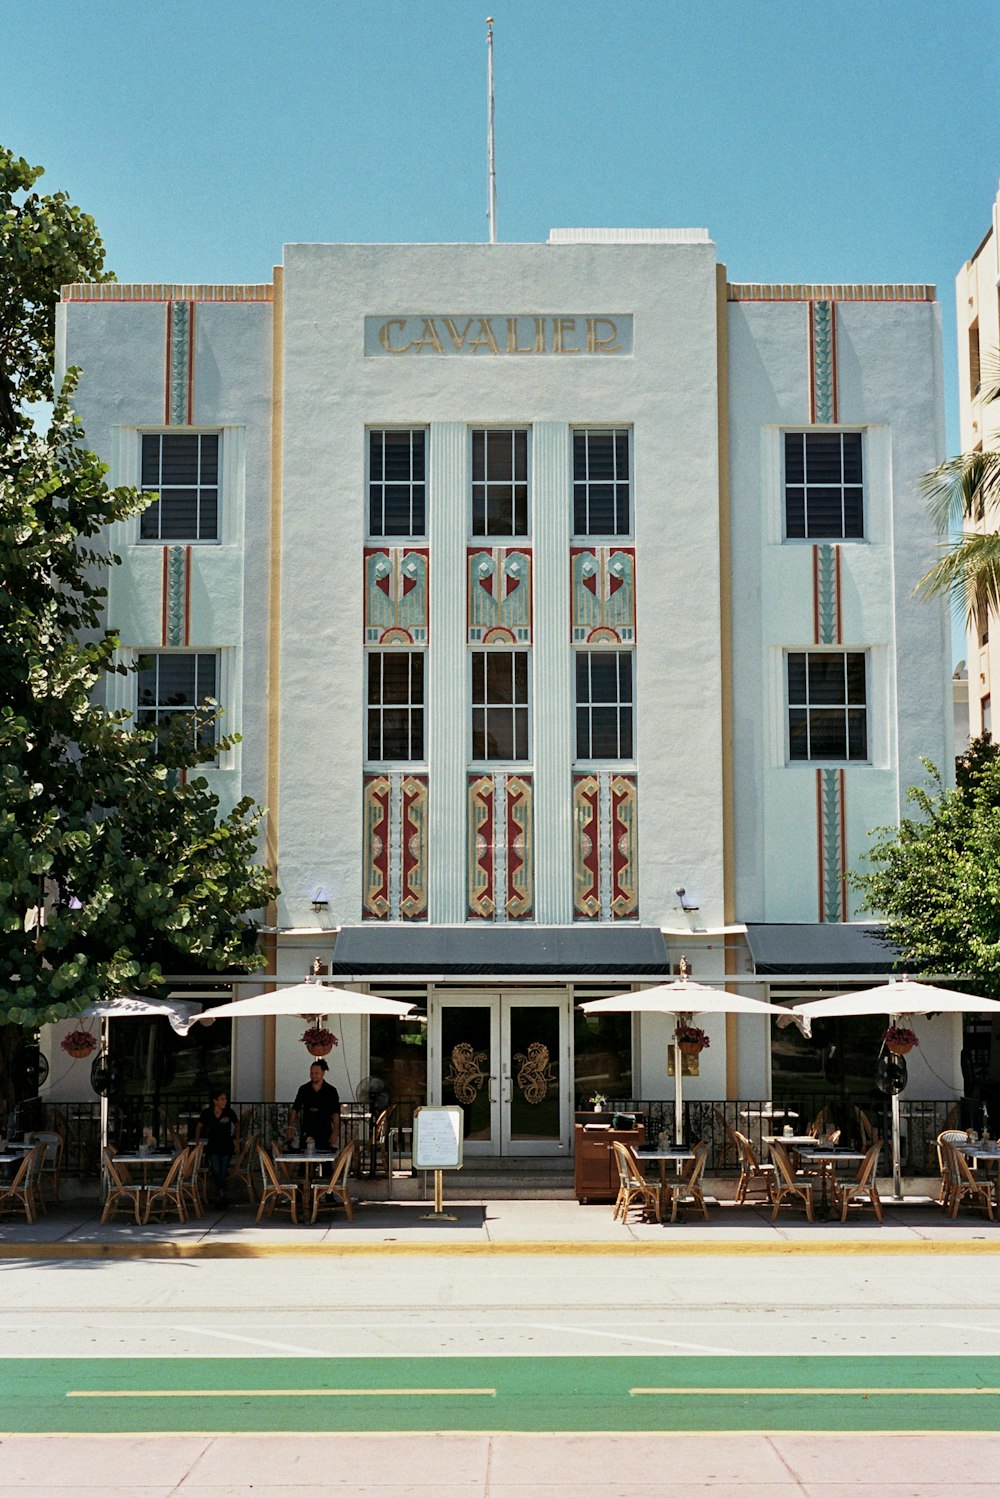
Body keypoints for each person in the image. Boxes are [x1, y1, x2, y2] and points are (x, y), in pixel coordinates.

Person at [195, 1090, 240, 1206]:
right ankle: (219, 1192)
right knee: (216, 1169)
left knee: (223, 1169)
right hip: (213, 1145)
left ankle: (222, 1194)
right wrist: (197, 1142)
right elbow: (199, 1126)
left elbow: (237, 1124)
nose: (225, 1101)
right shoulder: (207, 1113)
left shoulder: (229, 1112)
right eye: (222, 1099)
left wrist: (236, 1140)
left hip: (226, 1144)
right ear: (215, 1101)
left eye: (225, 1099)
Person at [287, 1060, 341, 1150]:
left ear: (323, 1073)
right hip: (307, 1129)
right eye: (311, 1073)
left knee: (325, 1159)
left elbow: (335, 1112)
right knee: (305, 1159)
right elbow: (295, 1109)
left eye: (316, 1073)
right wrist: (290, 1126)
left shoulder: (331, 1091)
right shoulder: (304, 1089)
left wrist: (335, 1131)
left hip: (324, 1130)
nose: (313, 1075)